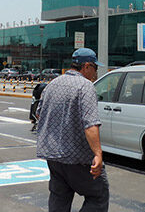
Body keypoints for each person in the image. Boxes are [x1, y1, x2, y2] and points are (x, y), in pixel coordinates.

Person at [36, 48, 108, 212]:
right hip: (77, 158)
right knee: (99, 195)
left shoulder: (52, 84)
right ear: (87, 66)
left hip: (53, 156)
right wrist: (98, 153)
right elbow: (90, 124)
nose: (95, 73)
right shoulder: (85, 86)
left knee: (59, 198)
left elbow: (39, 114)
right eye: (95, 68)